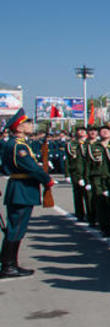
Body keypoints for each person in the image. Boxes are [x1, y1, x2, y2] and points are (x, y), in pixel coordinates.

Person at [1, 109, 55, 278]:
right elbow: (29, 167)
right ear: (19, 127)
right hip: (22, 188)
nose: (31, 126)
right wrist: (46, 179)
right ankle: (8, 266)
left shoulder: (19, 143)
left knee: (17, 228)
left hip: (22, 187)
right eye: (28, 123)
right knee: (15, 228)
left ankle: (10, 263)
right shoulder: (17, 146)